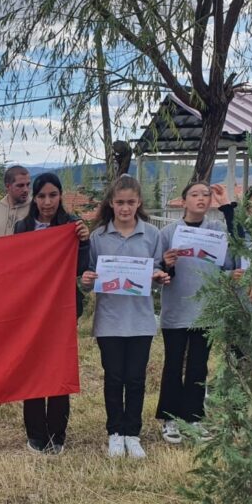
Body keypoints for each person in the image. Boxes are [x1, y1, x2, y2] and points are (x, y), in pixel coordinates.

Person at [80, 176, 169, 459]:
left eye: (131, 202)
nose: (125, 208)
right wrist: (86, 279)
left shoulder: (152, 235)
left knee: (136, 379)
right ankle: (115, 433)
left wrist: (159, 276)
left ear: (139, 203)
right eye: (119, 202)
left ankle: (133, 433)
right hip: (109, 320)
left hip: (141, 320)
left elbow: (156, 275)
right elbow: (88, 277)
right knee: (114, 378)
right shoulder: (98, 237)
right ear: (111, 203)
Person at [12, 172, 91, 454]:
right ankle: (36, 434)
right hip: (30, 312)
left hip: (62, 310)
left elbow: (83, 269)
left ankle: (58, 433)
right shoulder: (23, 227)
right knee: (32, 369)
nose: (47, 202)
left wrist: (83, 241)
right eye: (42, 196)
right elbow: (14, 267)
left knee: (58, 369)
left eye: (53, 195)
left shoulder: (72, 226)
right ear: (35, 197)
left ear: (61, 196)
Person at [156, 181, 229, 443]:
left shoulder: (218, 230)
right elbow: (157, 270)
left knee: (199, 366)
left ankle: (194, 418)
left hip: (206, 311)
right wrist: (166, 265)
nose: (201, 199)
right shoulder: (167, 232)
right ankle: (169, 418)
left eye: (206, 195)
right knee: (174, 364)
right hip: (176, 309)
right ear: (184, 200)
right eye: (195, 194)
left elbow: (228, 265)